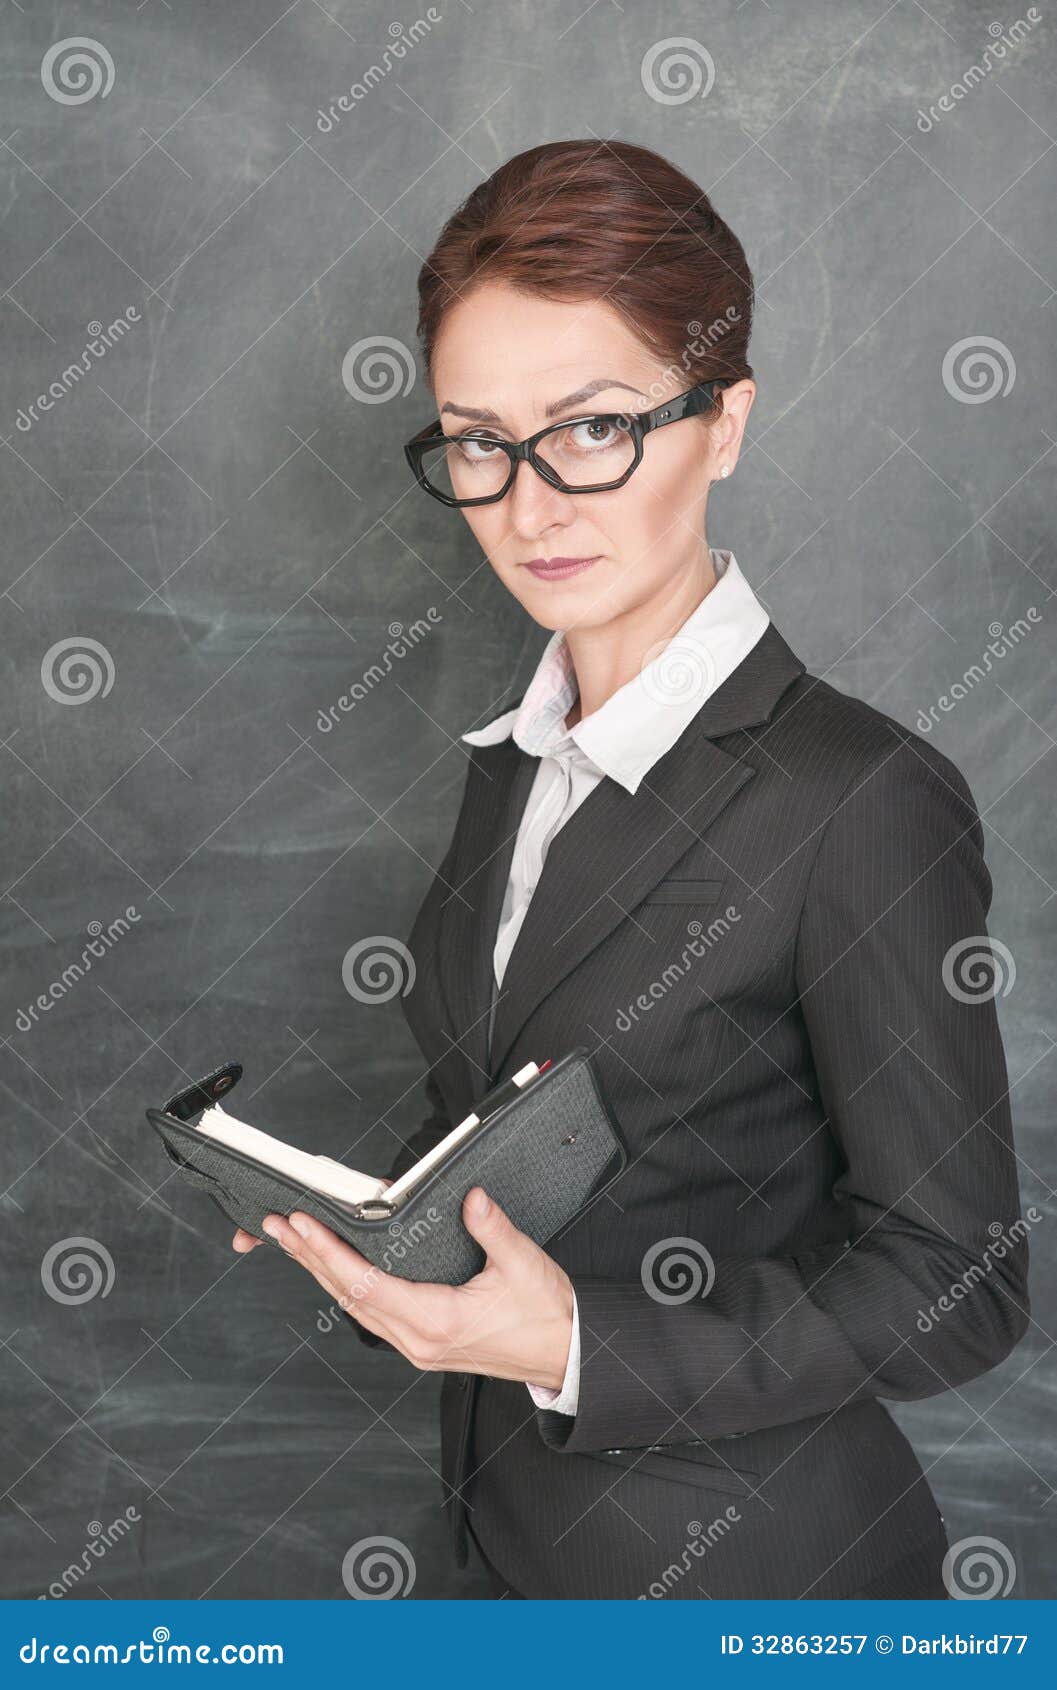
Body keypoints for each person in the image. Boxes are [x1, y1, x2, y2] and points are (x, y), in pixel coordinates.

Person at [234, 139, 1029, 1600]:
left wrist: (576, 1345)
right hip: (496, 1564)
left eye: (590, 428)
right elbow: (532, 1166)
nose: (528, 505)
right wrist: (385, 1247)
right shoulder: (510, 771)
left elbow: (956, 1286)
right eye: (475, 440)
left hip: (759, 1590)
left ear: (721, 422)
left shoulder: (858, 799)